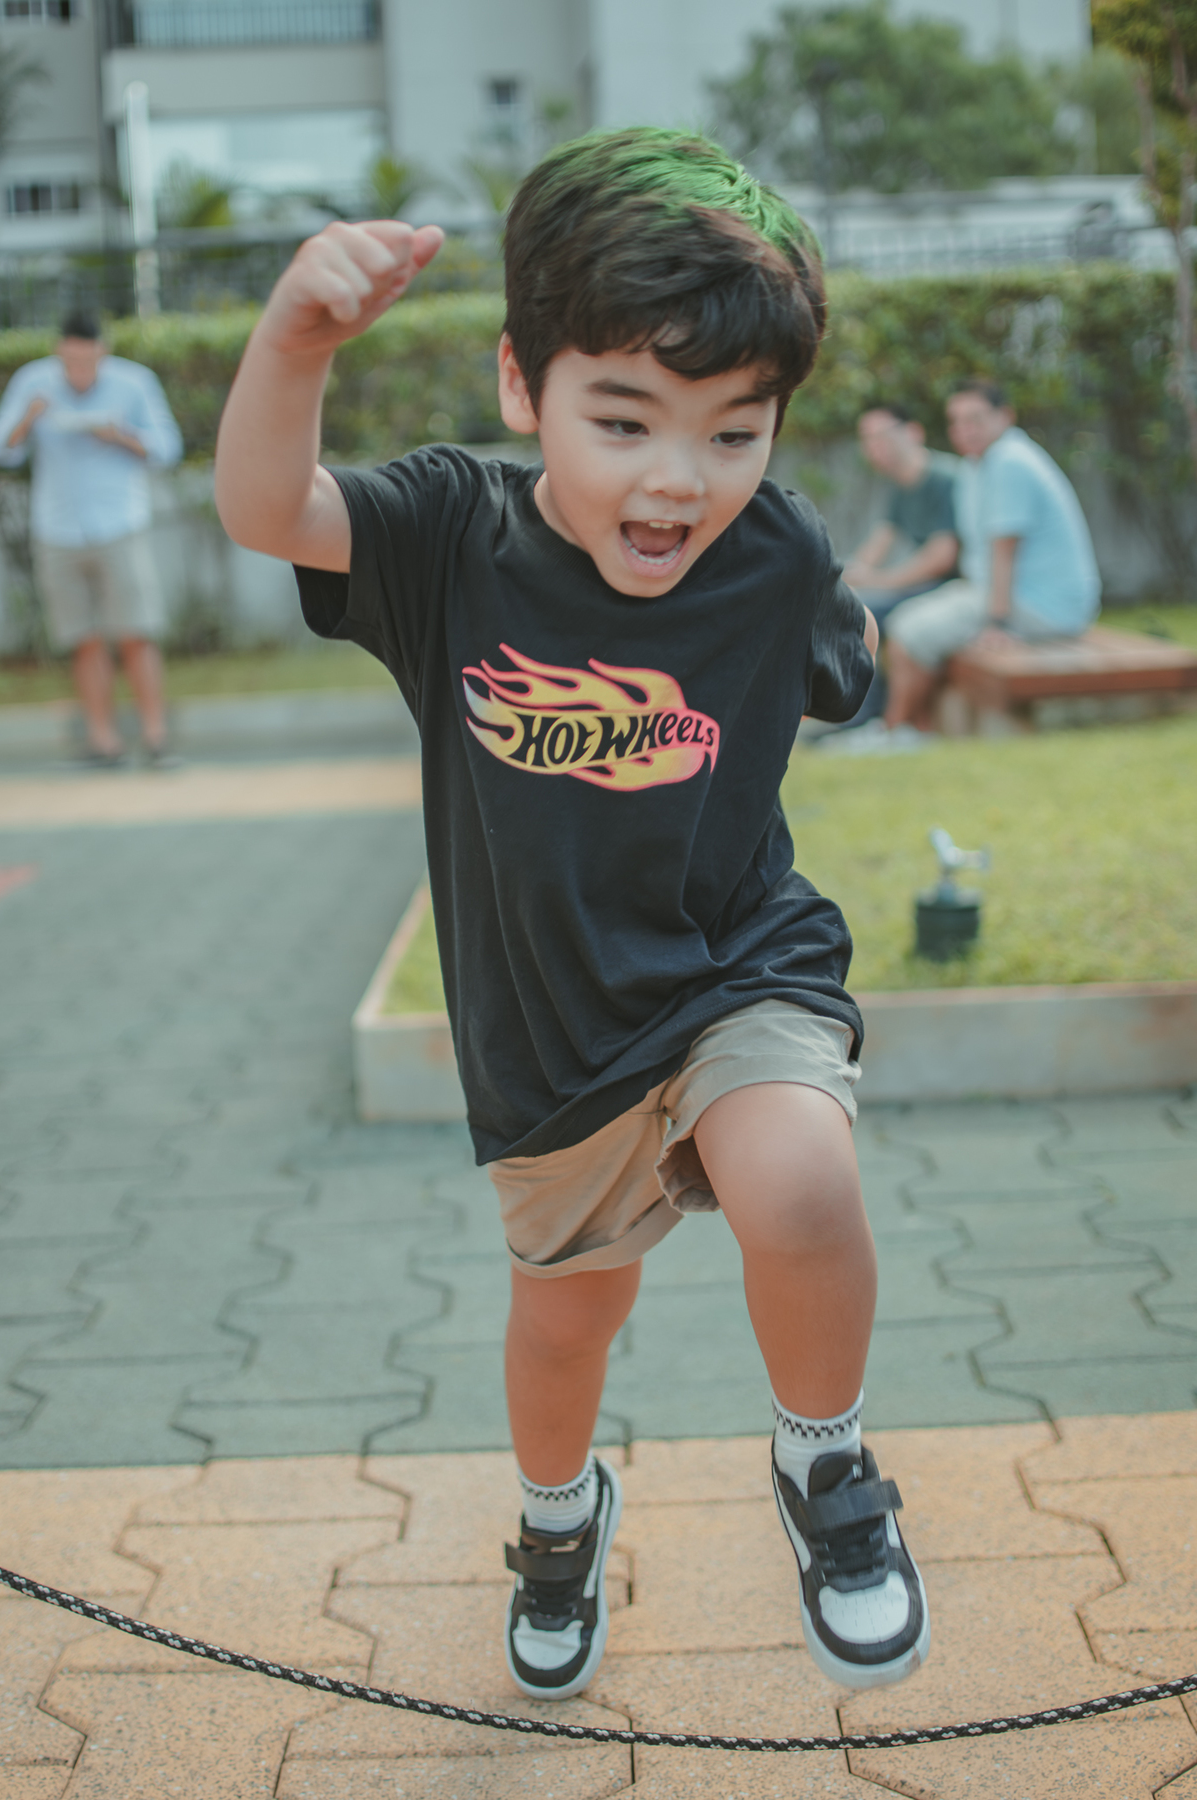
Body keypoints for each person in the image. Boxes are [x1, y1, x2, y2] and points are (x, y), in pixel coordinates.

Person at [215, 128, 930, 1700]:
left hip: (742, 964)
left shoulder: (777, 549)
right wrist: (293, 340)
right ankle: (558, 1518)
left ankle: (826, 1470)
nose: (680, 477)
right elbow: (271, 509)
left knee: (801, 1184)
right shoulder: (446, 540)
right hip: (550, 1032)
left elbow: (846, 659)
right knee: (565, 1333)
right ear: (522, 386)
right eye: (625, 420)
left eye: (736, 433)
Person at [0, 309, 183, 764]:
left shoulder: (134, 383)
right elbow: (5, 450)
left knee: (136, 632)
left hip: (120, 523)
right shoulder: (33, 381)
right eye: (70, 361)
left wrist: (120, 436)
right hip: (57, 528)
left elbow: (168, 449)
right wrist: (29, 417)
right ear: (60, 351)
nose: (78, 371)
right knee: (82, 638)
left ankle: (155, 737)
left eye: (87, 361)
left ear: (103, 351)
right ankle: (104, 740)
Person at [883, 381, 1101, 733]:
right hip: (1011, 596)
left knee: (910, 632)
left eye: (975, 419)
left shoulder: (1009, 462)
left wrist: (997, 623)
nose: (964, 430)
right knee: (905, 624)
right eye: (956, 422)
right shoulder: (978, 465)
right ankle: (910, 731)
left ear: (1005, 417)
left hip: (1043, 607)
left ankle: (895, 732)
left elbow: (1004, 551)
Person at [835, 403, 959, 729]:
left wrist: (879, 580)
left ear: (912, 432)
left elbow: (941, 557)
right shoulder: (901, 485)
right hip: (930, 584)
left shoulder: (944, 479)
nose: (874, 447)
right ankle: (846, 709)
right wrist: (845, 577)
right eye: (867, 439)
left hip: (956, 586)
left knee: (866, 612)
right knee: (848, 602)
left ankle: (865, 715)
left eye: (881, 436)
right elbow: (880, 540)